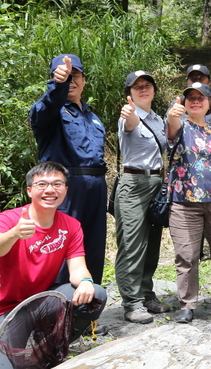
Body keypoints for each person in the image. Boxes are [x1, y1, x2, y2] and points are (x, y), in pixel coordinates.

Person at [0, 162, 107, 338]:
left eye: (57, 184)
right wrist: (14, 234)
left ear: (65, 189)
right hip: (5, 308)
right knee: (9, 365)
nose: (50, 190)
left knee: (96, 293)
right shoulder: (9, 219)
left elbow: (77, 268)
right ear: (29, 191)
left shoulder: (71, 225)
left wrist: (86, 281)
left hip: (40, 302)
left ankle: (52, 343)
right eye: (41, 184)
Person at [29, 54, 107, 286]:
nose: (71, 80)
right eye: (64, 76)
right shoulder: (49, 112)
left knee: (93, 246)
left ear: (84, 80)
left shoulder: (93, 117)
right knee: (60, 246)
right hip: (65, 187)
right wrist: (58, 85)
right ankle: (56, 309)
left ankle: (86, 310)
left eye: (75, 76)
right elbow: (47, 105)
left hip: (96, 186)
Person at [165, 83, 211, 323]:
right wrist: (172, 115)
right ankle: (187, 303)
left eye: (201, 98)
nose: (195, 101)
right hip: (184, 201)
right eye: (190, 98)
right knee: (187, 255)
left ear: (210, 103)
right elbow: (172, 128)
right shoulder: (180, 125)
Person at [115, 71, 171, 324]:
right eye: (137, 87)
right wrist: (130, 116)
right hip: (134, 184)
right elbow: (130, 125)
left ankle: (147, 294)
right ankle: (131, 302)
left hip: (157, 182)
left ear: (154, 90)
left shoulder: (159, 120)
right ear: (130, 94)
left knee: (152, 243)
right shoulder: (129, 115)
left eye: (147, 85)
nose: (143, 89)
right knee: (132, 244)